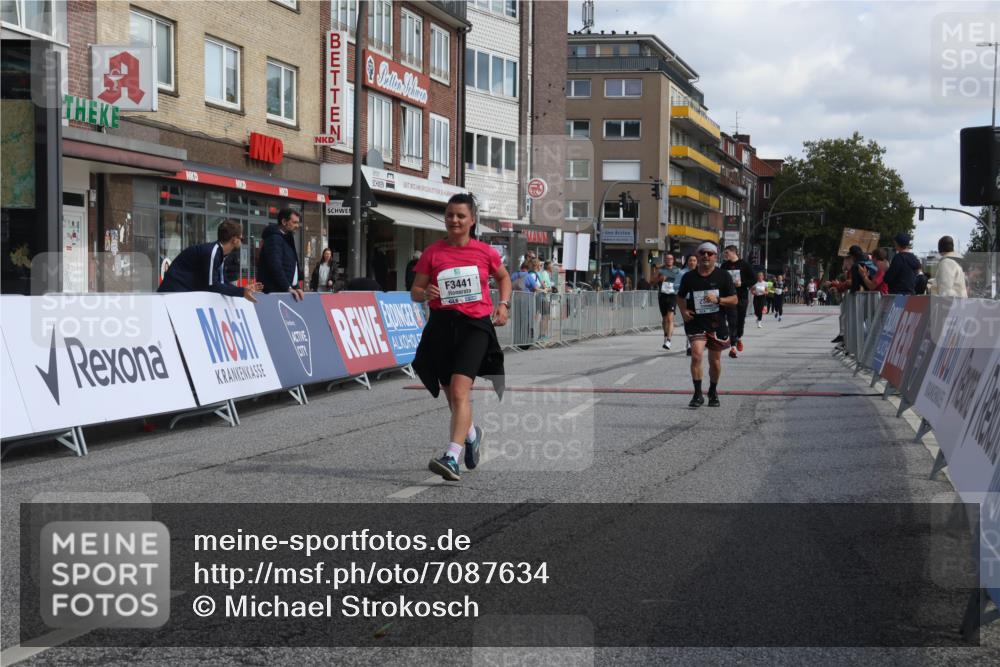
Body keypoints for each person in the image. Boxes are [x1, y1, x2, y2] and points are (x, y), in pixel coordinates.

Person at [411, 193, 512, 482]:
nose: (454, 220)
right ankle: (471, 434)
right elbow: (415, 290)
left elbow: (503, 278)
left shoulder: (485, 252)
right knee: (451, 396)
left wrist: (503, 305)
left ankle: (451, 457)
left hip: (475, 325)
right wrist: (425, 292)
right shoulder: (433, 252)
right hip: (442, 326)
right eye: (450, 215)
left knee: (459, 391)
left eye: (460, 216)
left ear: (472, 220)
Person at [677, 242, 737, 408]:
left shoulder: (723, 276)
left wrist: (718, 300)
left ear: (715, 257)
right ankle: (697, 394)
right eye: (702, 253)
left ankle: (712, 390)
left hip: (716, 323)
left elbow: (734, 300)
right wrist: (683, 311)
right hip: (695, 322)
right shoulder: (689, 277)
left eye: (709, 254)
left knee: (715, 361)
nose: (706, 256)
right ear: (697, 255)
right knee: (696, 354)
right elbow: (680, 297)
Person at [158, 220, 260, 302]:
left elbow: (222, 282)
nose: (242, 241)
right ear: (234, 239)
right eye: (241, 238)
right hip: (171, 293)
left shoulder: (219, 253)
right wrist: (241, 292)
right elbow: (212, 285)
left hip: (179, 293)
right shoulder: (212, 252)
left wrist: (245, 289)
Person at [258, 207, 304, 300]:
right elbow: (275, 265)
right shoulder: (274, 238)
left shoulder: (286, 238)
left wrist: (295, 286)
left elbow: (289, 267)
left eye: (298, 222)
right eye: (294, 222)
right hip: (276, 294)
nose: (297, 225)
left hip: (283, 291)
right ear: (284, 222)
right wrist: (288, 287)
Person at [720, 245, 755, 358]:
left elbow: (753, 279)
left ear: (734, 252)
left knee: (740, 321)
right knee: (732, 321)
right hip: (729, 297)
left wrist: (742, 284)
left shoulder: (744, 265)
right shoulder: (724, 266)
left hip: (741, 297)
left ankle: (739, 337)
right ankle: (733, 347)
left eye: (727, 253)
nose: (725, 255)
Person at [656, 254, 682, 350]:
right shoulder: (660, 270)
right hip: (662, 295)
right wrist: (659, 278)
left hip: (672, 295)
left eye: (671, 258)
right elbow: (651, 281)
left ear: (673, 260)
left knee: (670, 318)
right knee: (664, 319)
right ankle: (666, 335)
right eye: (667, 258)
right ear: (665, 260)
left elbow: (681, 282)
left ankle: (669, 341)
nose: (669, 260)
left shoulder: (677, 270)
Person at [678, 254, 699, 355]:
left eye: (694, 260)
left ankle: (697, 342)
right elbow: (676, 287)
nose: (692, 263)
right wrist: (685, 291)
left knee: (698, 322)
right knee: (688, 321)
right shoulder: (682, 273)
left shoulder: (700, 272)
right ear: (687, 262)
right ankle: (690, 343)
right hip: (686, 300)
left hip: (698, 301)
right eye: (690, 260)